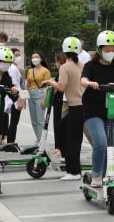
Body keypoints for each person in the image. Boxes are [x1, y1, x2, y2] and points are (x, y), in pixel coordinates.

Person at [81, 30, 114, 187]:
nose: (110, 53)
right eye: (107, 50)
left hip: (111, 110)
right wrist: (89, 83)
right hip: (92, 109)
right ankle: (96, 174)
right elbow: (83, 79)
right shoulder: (90, 65)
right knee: (101, 142)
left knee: (110, 145)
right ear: (99, 49)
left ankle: (105, 176)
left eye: (113, 50)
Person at [42, 37, 84, 181]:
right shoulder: (81, 65)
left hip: (75, 106)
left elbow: (61, 87)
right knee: (62, 130)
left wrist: (49, 82)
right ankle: (72, 167)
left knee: (71, 140)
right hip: (81, 106)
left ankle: (73, 172)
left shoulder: (65, 66)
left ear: (65, 51)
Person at [26, 51, 51, 144]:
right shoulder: (29, 70)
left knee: (40, 119)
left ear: (41, 59)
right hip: (30, 94)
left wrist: (45, 99)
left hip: (40, 93)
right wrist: (24, 97)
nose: (34, 59)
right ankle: (38, 138)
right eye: (32, 57)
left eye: (36, 57)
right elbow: (27, 84)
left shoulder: (45, 70)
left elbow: (47, 86)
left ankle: (42, 140)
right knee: (33, 120)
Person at [6, 48, 25, 143]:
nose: (18, 57)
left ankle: (10, 141)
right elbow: (14, 86)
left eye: (19, 55)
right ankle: (10, 142)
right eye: (16, 55)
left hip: (16, 98)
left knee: (13, 122)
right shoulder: (13, 69)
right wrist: (19, 100)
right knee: (14, 122)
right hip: (15, 99)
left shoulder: (14, 68)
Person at [51, 54, 66, 156]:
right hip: (58, 101)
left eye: (57, 62)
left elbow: (59, 87)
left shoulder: (62, 72)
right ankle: (58, 146)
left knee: (58, 124)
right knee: (58, 124)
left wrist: (51, 84)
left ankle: (59, 147)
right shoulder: (61, 72)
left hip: (61, 101)